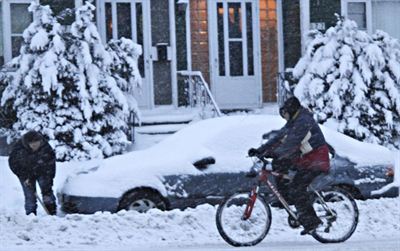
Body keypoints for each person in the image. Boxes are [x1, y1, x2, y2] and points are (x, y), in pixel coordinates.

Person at [248, 97, 330, 235]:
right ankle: (289, 201)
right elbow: (279, 137)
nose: (285, 118)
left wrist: (274, 153)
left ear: (292, 110)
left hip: (316, 160)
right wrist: (260, 150)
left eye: (285, 114)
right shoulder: (294, 121)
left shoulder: (303, 122)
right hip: (305, 159)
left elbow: (290, 143)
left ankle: (312, 222)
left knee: (297, 188)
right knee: (279, 168)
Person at [8, 130, 57, 215]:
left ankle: (52, 214)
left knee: (47, 193)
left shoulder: (46, 147)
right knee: (30, 196)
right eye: (32, 144)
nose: (35, 146)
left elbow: (51, 164)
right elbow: (13, 164)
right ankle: (31, 216)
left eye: (37, 143)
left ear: (40, 141)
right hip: (25, 173)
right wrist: (24, 177)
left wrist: (50, 179)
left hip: (42, 172)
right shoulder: (19, 148)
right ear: (28, 143)